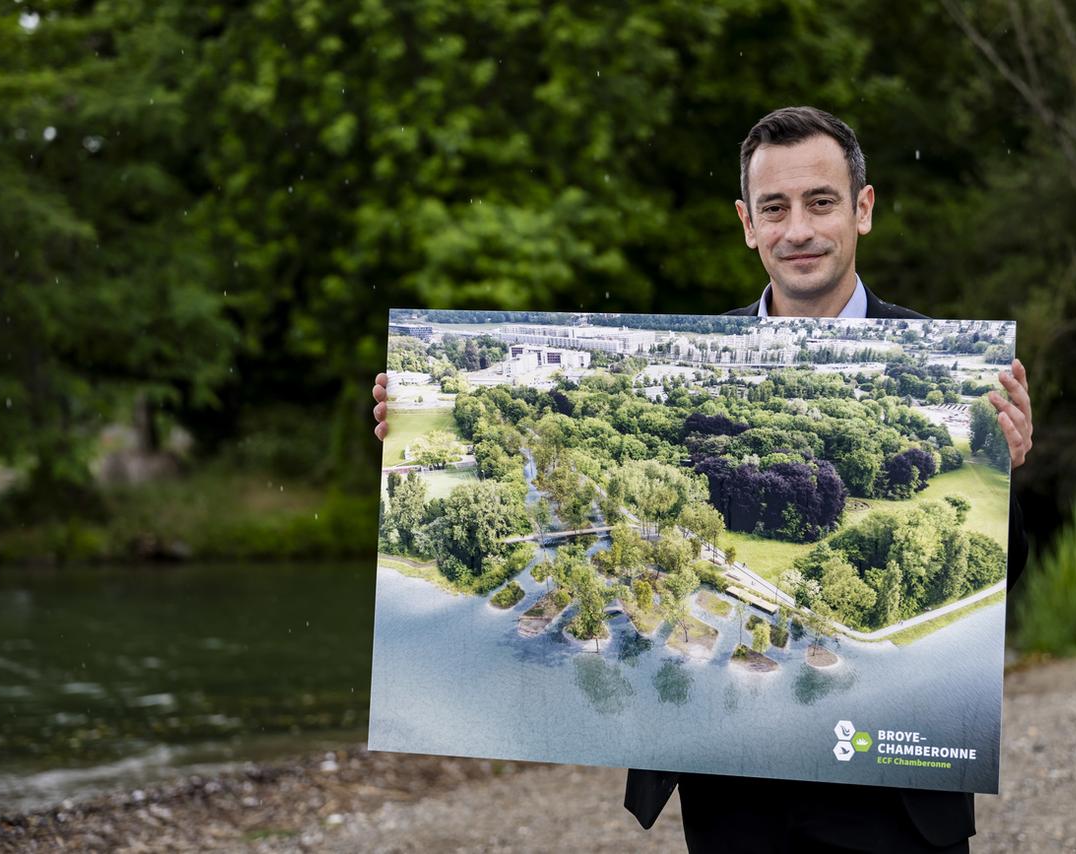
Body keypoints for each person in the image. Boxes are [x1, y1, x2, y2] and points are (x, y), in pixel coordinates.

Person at [372, 106, 1034, 852]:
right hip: (733, 791)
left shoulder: (960, 367)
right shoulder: (691, 354)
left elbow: (1013, 581)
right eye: (774, 209)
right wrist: (413, 432)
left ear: (864, 209)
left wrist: (1005, 473)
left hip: (891, 801)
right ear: (748, 223)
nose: (799, 231)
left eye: (821, 202)